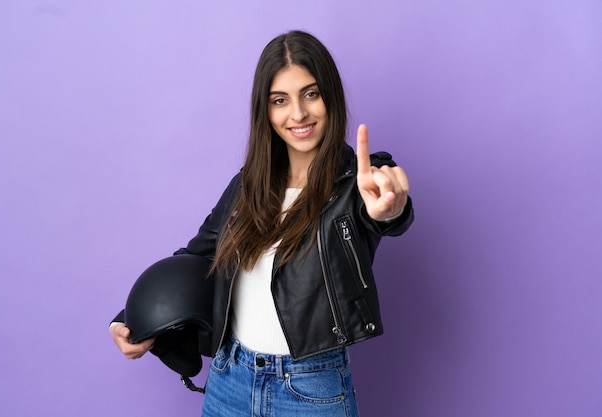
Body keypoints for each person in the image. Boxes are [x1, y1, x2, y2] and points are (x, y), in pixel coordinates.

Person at [110, 30, 414, 417]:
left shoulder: (358, 183)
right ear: (265, 111)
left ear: (330, 97)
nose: (298, 114)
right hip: (228, 380)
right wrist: (131, 320)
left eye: (311, 93)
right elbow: (196, 257)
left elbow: (391, 214)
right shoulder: (246, 186)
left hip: (311, 389)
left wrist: (389, 211)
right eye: (279, 100)